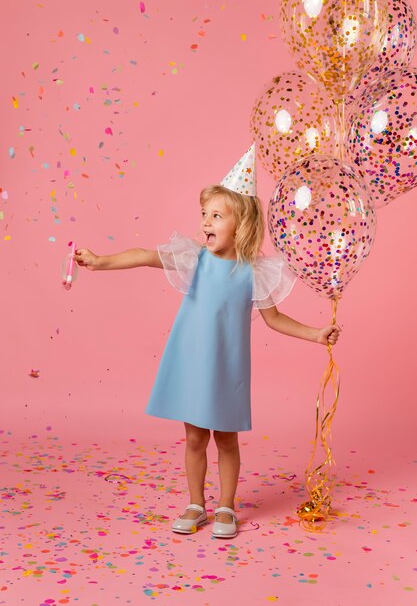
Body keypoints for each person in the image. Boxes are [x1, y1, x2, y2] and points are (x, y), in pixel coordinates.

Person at [74, 144, 341, 539]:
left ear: (242, 223)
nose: (206, 222)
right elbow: (146, 255)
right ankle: (196, 502)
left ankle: (226, 507)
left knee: (226, 439)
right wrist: (101, 261)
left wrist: (316, 334)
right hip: (191, 361)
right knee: (195, 437)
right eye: (204, 214)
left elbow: (275, 319)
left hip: (227, 368)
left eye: (217, 215)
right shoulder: (194, 258)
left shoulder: (254, 272)